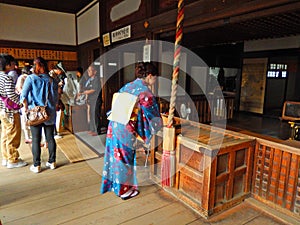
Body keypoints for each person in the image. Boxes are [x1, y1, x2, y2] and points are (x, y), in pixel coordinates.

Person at [100, 62, 162, 200]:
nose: (154, 82)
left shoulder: (128, 86)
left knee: (115, 157)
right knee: (124, 159)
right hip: (125, 128)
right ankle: (124, 191)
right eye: (155, 79)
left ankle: (116, 186)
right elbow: (153, 116)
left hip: (114, 123)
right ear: (150, 76)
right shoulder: (145, 91)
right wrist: (160, 125)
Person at [20, 57, 59, 173]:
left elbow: (23, 96)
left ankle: (37, 165)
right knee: (50, 138)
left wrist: (26, 108)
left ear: (34, 66)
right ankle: (52, 162)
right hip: (49, 113)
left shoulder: (30, 79)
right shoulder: (52, 80)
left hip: (35, 113)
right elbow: (56, 97)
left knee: (36, 139)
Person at [0, 54, 27, 169]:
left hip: (2, 110)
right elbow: (11, 95)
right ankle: (13, 160)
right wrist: (21, 102)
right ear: (7, 65)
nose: (14, 66)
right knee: (13, 135)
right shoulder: (7, 78)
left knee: (5, 134)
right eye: (12, 63)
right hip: (10, 111)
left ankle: (6, 157)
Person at [77, 64, 100, 136]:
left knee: (95, 115)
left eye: (90, 70)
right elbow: (86, 88)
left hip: (96, 100)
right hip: (90, 100)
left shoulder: (96, 79)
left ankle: (97, 130)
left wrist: (83, 92)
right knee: (92, 114)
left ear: (95, 72)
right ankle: (92, 129)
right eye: (88, 70)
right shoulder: (89, 80)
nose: (88, 72)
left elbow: (93, 90)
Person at [49, 62, 67, 139]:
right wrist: (59, 85)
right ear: (57, 69)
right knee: (53, 115)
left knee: (54, 115)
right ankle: (54, 133)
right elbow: (52, 87)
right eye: (61, 71)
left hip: (54, 98)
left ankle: (55, 132)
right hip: (53, 98)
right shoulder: (51, 75)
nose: (61, 73)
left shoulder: (54, 75)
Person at [15, 65, 32, 144]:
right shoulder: (22, 77)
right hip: (24, 101)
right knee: (25, 119)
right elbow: (19, 88)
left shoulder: (27, 77)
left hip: (27, 100)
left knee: (28, 118)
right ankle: (27, 137)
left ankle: (29, 136)